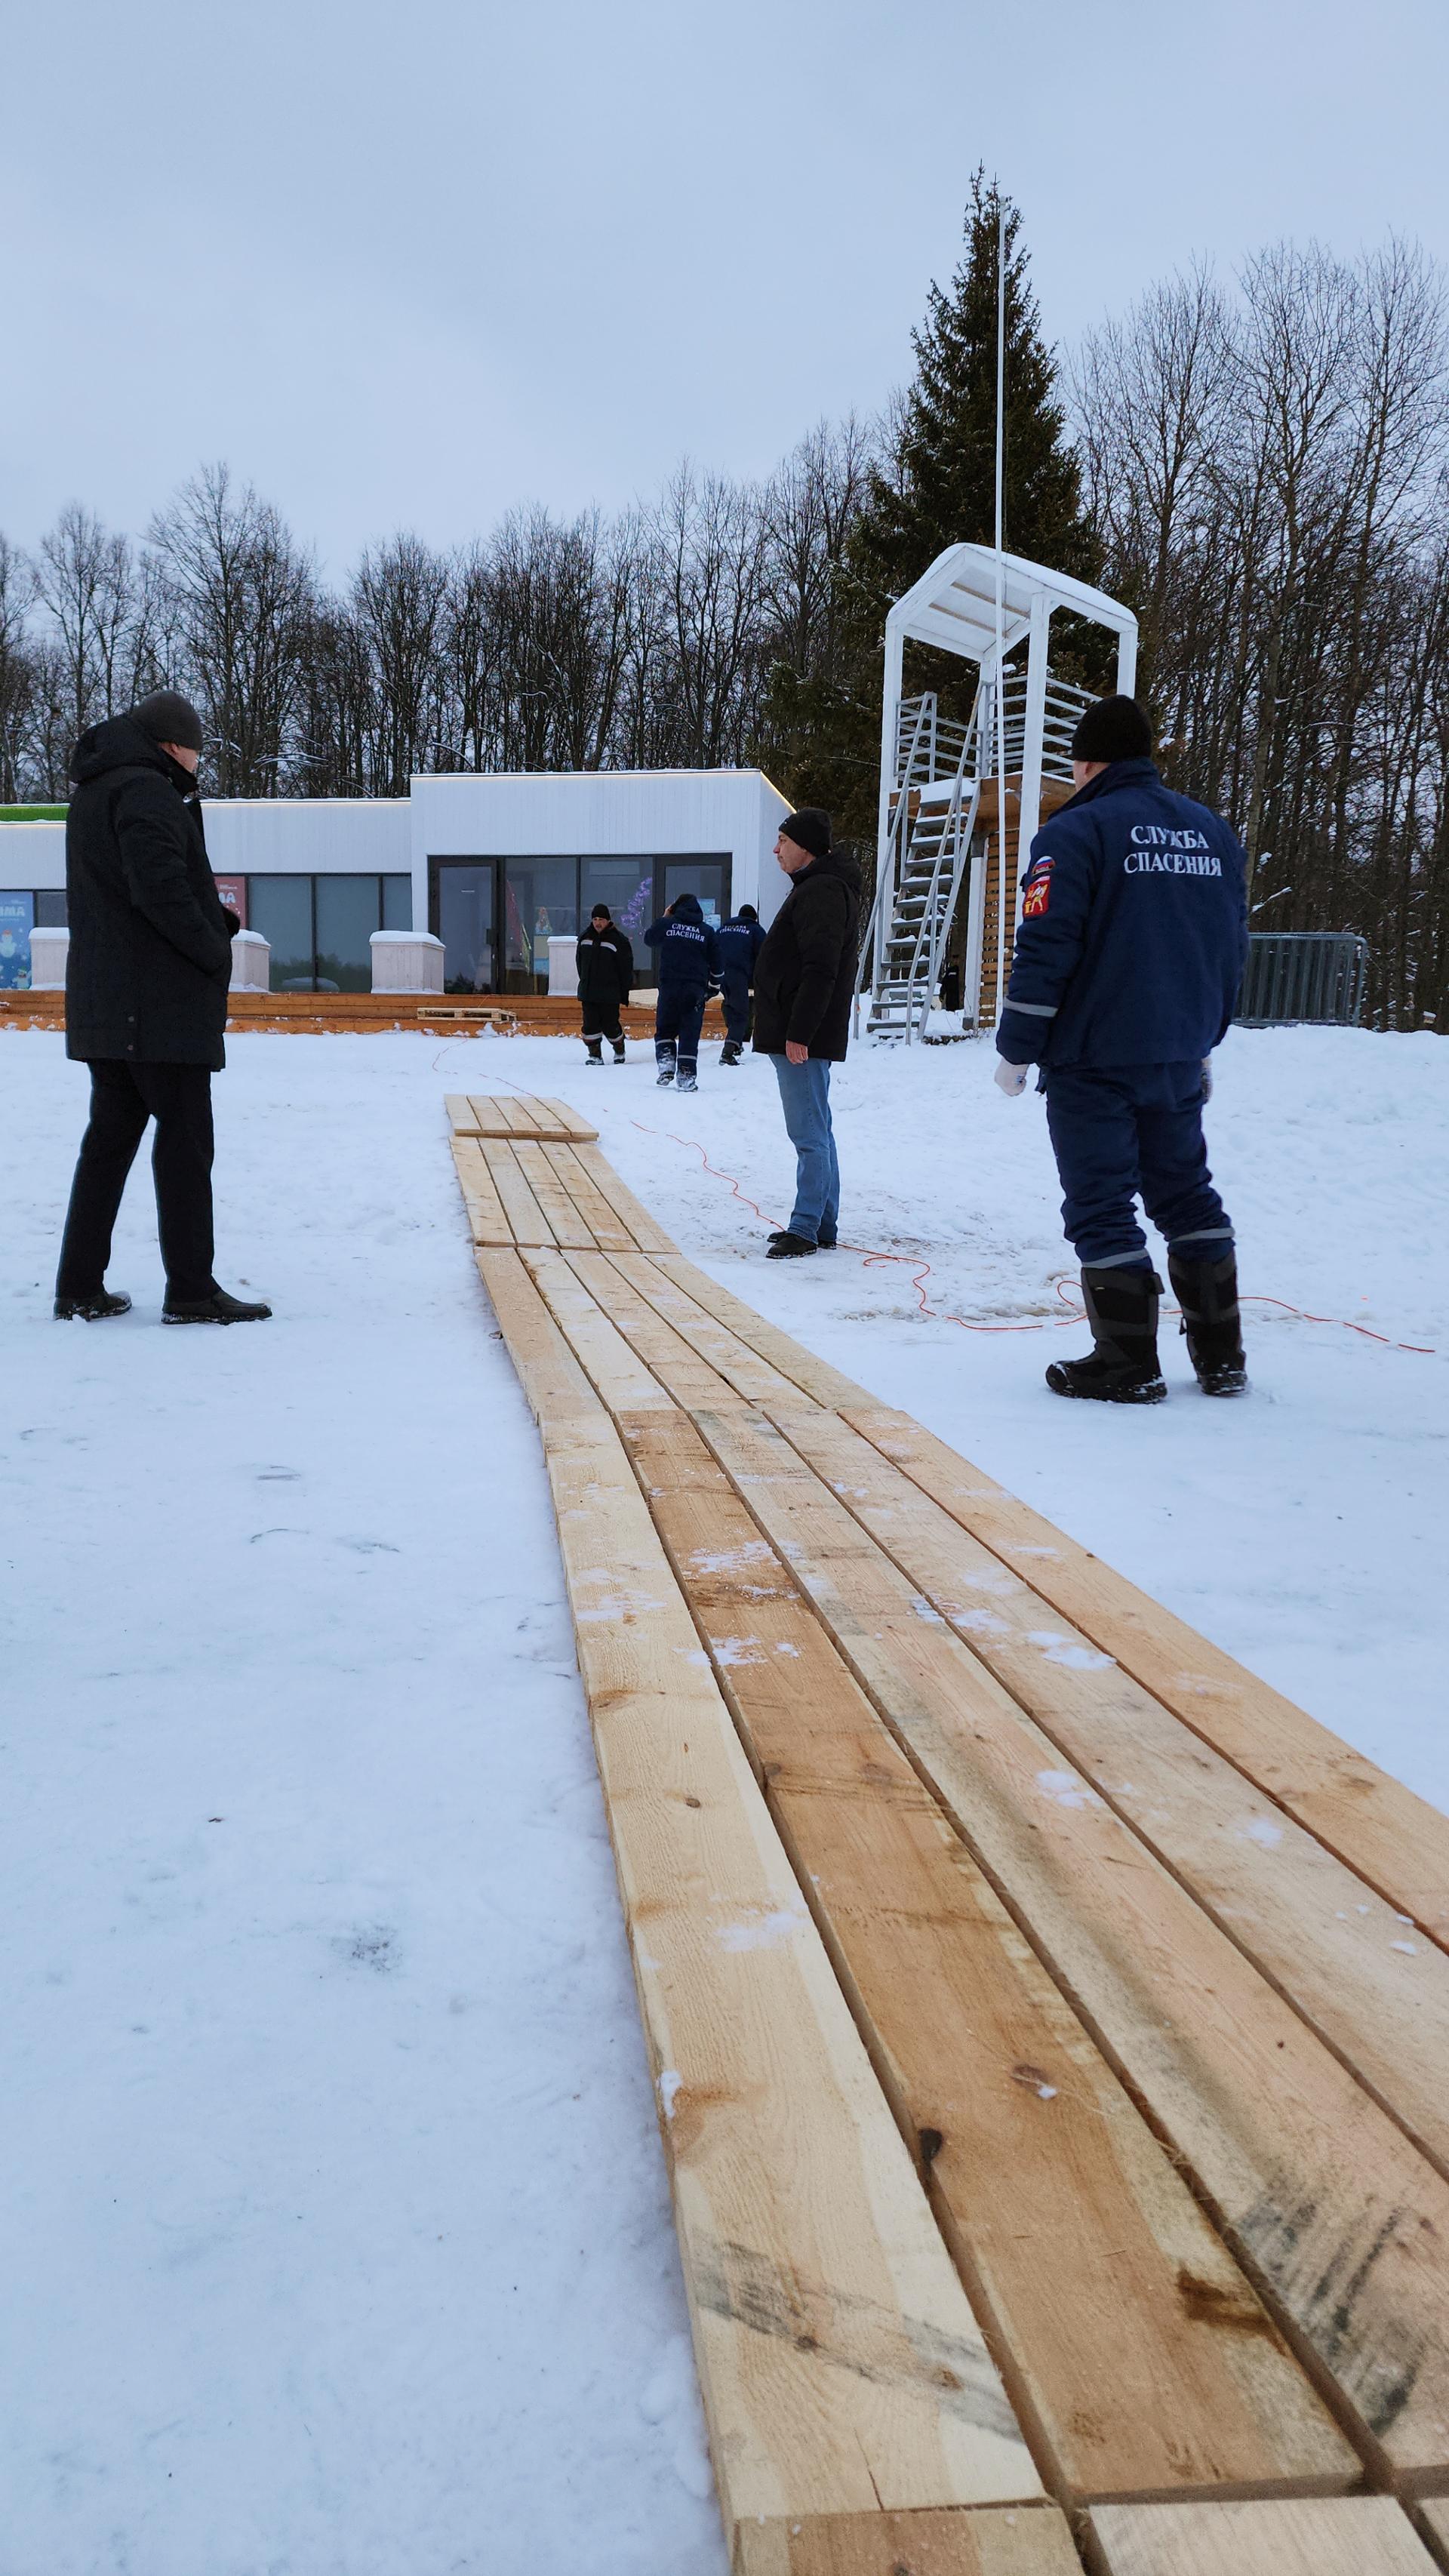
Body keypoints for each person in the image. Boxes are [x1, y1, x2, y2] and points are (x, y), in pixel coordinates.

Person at [995, 694, 1248, 1402]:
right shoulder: (1211, 832)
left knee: (1103, 1203)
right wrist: (1206, 1036)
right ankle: (1222, 1356)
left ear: (1085, 762)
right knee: (1187, 1195)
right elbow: (1232, 948)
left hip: (1093, 1057)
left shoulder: (1075, 833)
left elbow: (1046, 947)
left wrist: (1018, 1047)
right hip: (1175, 1052)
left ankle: (1127, 1361)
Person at [54, 689, 272, 1326]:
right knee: (184, 1145)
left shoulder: (95, 792)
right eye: (196, 750)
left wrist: (213, 917)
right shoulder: (147, 790)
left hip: (108, 1003)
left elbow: (129, 893)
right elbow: (160, 891)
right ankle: (191, 1291)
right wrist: (212, 949)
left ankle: (78, 1285)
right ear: (173, 746)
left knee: (108, 1144)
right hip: (156, 1008)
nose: (199, 762)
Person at [752, 808, 860, 1259]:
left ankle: (806, 1226)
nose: (776, 849)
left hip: (802, 1036)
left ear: (806, 847)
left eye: (782, 840)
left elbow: (821, 969)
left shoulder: (821, 891)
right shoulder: (820, 887)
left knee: (808, 1132)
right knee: (819, 1128)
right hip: (802, 1031)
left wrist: (799, 1032)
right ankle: (821, 1222)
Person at [644, 893, 718, 1091]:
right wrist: (713, 987)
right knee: (689, 1032)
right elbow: (718, 964)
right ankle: (686, 1075)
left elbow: (649, 939)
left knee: (666, 1027)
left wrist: (666, 917)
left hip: (669, 987)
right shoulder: (707, 931)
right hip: (694, 990)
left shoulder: (668, 925)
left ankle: (667, 1065)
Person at [575, 902, 632, 1065]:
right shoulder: (585, 938)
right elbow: (579, 962)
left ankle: (619, 1050)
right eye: (595, 919)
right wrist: (585, 980)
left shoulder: (619, 941)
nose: (598, 923)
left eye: (601, 919)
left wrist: (623, 992)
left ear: (608, 920)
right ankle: (595, 1056)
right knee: (590, 1025)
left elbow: (626, 968)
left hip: (610, 992)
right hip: (589, 991)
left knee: (611, 1025)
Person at [715, 901, 765, 1066]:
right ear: (754, 918)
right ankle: (729, 1051)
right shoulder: (755, 930)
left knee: (730, 1005)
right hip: (738, 975)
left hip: (720, 974)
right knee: (741, 1013)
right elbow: (765, 955)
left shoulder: (722, 928)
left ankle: (735, 1043)